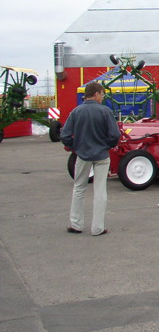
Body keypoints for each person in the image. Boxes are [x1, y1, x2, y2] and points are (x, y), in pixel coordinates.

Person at [61, 81, 121, 236]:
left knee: (79, 188)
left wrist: (76, 147)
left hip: (82, 155)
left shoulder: (76, 112)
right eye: (102, 94)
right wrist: (107, 145)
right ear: (96, 94)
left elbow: (65, 135)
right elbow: (115, 135)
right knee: (100, 190)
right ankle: (98, 228)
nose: (102, 97)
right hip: (101, 156)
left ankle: (76, 224)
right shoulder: (105, 111)